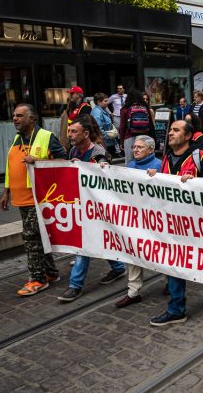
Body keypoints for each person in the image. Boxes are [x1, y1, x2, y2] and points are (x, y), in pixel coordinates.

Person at [146, 120, 203, 324]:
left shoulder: (201, 157)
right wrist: (156, 176)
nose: (170, 133)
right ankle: (177, 308)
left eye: (176, 130)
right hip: (173, 223)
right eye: (171, 130)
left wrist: (196, 184)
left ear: (188, 136)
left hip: (198, 223)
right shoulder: (167, 157)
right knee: (173, 262)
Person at [0, 103, 67, 296]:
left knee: (30, 237)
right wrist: (6, 191)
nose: (15, 119)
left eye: (20, 116)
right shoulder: (16, 139)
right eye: (14, 115)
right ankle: (51, 272)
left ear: (32, 119)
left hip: (39, 199)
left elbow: (64, 162)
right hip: (21, 199)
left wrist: (38, 161)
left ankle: (38, 279)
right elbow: (10, 167)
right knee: (38, 237)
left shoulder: (46, 137)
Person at [58, 116, 125, 302]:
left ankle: (75, 285)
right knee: (97, 239)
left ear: (86, 134)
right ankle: (118, 268)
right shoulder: (73, 151)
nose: (69, 135)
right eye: (69, 131)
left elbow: (104, 179)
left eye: (74, 131)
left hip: (97, 207)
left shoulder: (98, 152)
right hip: (81, 205)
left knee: (84, 246)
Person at [114, 135, 163, 308]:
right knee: (133, 253)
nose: (135, 150)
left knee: (161, 253)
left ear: (150, 149)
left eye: (140, 147)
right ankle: (133, 292)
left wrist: (158, 177)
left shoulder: (159, 165)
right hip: (136, 219)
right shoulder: (130, 165)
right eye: (134, 147)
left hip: (156, 220)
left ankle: (170, 282)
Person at [119, 89, 154, 165]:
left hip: (129, 137)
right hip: (144, 137)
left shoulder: (125, 109)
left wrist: (121, 141)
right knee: (144, 160)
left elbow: (122, 127)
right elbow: (150, 124)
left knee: (130, 161)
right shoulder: (145, 107)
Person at [91, 93, 118, 157]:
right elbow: (99, 129)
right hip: (105, 143)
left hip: (108, 141)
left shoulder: (102, 110)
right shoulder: (97, 112)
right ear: (98, 102)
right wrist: (108, 137)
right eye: (105, 101)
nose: (107, 102)